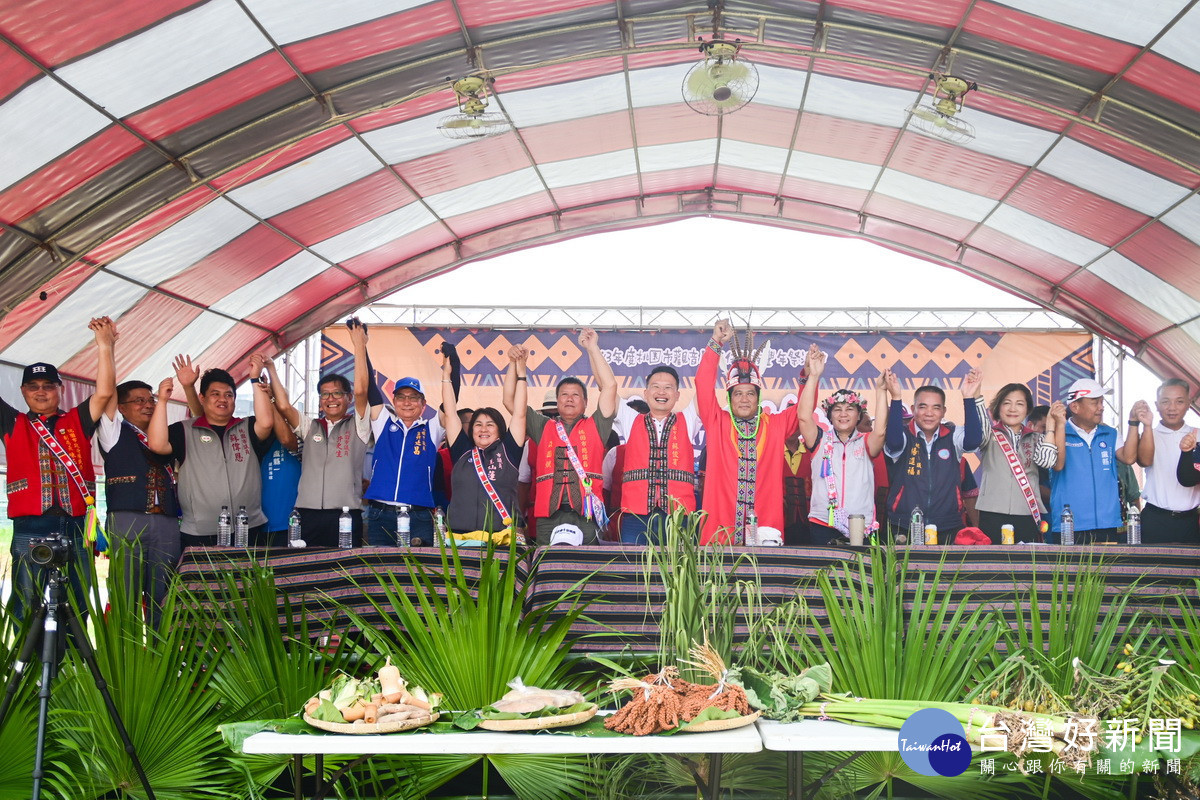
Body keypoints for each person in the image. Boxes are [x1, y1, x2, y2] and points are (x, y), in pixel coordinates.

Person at [3, 317, 116, 620]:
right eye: (33, 386)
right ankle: (27, 666)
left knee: (79, 600)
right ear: (24, 391)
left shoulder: (76, 421)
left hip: (77, 524)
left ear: (60, 389)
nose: (41, 392)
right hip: (30, 526)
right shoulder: (14, 423)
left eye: (48, 386)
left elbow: (104, 393)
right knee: (27, 602)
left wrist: (105, 346)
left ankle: (76, 665)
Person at [503, 328, 617, 545]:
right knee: (548, 568)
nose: (569, 399)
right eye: (564, 394)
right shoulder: (543, 426)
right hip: (549, 515)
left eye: (576, 395)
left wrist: (592, 349)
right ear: (557, 400)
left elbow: (610, 386)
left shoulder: (597, 425)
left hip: (587, 515)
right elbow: (510, 401)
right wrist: (514, 365)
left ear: (585, 402)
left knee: (586, 570)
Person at [148, 358, 276, 548]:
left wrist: (254, 379)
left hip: (248, 527)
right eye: (215, 394)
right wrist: (162, 401)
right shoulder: (184, 430)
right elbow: (157, 445)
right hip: (200, 532)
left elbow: (266, 423)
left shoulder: (246, 427)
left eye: (229, 395)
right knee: (204, 579)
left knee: (248, 578)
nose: (222, 399)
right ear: (202, 398)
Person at [695, 319, 799, 545]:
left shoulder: (775, 425)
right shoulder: (717, 422)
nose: (744, 399)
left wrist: (809, 378)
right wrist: (715, 343)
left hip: (764, 533)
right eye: (738, 393)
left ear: (759, 396)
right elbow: (702, 384)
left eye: (750, 393)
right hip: (720, 534)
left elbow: (803, 412)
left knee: (765, 579)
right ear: (729, 398)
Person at [266, 324, 370, 547]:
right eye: (324, 394)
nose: (330, 399)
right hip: (307, 514)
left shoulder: (359, 426)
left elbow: (363, 390)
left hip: (345, 515)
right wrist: (272, 369)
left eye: (337, 393)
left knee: (346, 575)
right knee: (306, 571)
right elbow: (284, 407)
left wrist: (359, 345)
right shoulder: (310, 426)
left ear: (348, 397)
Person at [99, 377, 180, 627]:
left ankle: (160, 658)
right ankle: (125, 658)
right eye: (139, 401)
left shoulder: (166, 436)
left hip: (166, 521)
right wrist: (107, 347)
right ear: (121, 407)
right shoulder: (112, 432)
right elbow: (105, 393)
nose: (148, 405)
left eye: (151, 400)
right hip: (127, 519)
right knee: (126, 592)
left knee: (164, 595)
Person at [795, 345, 890, 544]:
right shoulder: (819, 440)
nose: (843, 414)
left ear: (859, 416)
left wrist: (881, 391)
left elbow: (880, 430)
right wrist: (813, 376)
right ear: (829, 415)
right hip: (823, 524)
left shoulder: (865, 443)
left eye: (849, 409)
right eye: (837, 409)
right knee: (826, 574)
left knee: (862, 575)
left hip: (861, 524)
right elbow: (803, 418)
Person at [363, 331, 448, 547]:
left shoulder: (432, 428)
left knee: (416, 576)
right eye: (401, 397)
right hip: (380, 514)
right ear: (394, 400)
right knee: (379, 572)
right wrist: (360, 346)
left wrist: (451, 366)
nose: (407, 402)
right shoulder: (383, 422)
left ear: (423, 402)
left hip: (418, 516)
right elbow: (370, 390)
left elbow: (450, 404)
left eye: (413, 398)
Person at [884, 370, 986, 543]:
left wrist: (969, 398)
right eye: (922, 406)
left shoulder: (953, 435)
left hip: (947, 525)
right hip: (903, 525)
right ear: (913, 409)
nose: (929, 413)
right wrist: (896, 397)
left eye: (936, 407)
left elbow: (973, 441)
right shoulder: (902, 435)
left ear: (944, 411)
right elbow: (893, 443)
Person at [611, 365, 702, 544]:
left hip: (678, 517)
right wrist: (592, 349)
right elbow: (608, 386)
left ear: (677, 395)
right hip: (636, 518)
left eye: (668, 387)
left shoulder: (689, 419)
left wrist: (716, 344)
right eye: (656, 386)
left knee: (677, 571)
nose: (662, 391)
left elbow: (705, 385)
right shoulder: (631, 420)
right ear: (645, 393)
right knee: (634, 570)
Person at [443, 345, 526, 534]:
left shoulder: (509, 451)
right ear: (471, 430)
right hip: (461, 539)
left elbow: (520, 414)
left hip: (502, 540)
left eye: (490, 424)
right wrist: (446, 377)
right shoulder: (462, 451)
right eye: (478, 424)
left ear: (499, 430)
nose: (483, 429)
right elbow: (450, 413)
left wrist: (521, 374)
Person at [1047, 378, 1138, 543]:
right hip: (1069, 525)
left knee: (1107, 569)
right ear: (1075, 407)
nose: (1101, 407)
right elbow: (1058, 465)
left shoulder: (1110, 433)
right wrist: (1059, 426)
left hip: (1107, 524)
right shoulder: (1057, 433)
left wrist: (1133, 423)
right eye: (1095, 402)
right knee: (1068, 570)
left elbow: (1129, 457)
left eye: (1102, 402)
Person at [975, 383, 1057, 543]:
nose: (1013, 409)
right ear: (998, 408)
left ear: (1027, 409)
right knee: (993, 563)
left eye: (1020, 404)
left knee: (1025, 564)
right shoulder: (988, 435)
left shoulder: (1037, 438)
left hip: (1027, 512)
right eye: (1006, 403)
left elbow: (1047, 461)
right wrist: (977, 395)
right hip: (992, 512)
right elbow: (980, 425)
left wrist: (1051, 426)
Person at [1126, 380, 1200, 544]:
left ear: (1189, 403)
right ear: (1157, 405)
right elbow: (1144, 461)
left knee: (1191, 570)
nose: (1172, 408)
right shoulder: (1149, 434)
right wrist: (1146, 425)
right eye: (1165, 402)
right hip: (1155, 519)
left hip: (1191, 521)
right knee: (1153, 569)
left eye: (1179, 401)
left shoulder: (1198, 435)